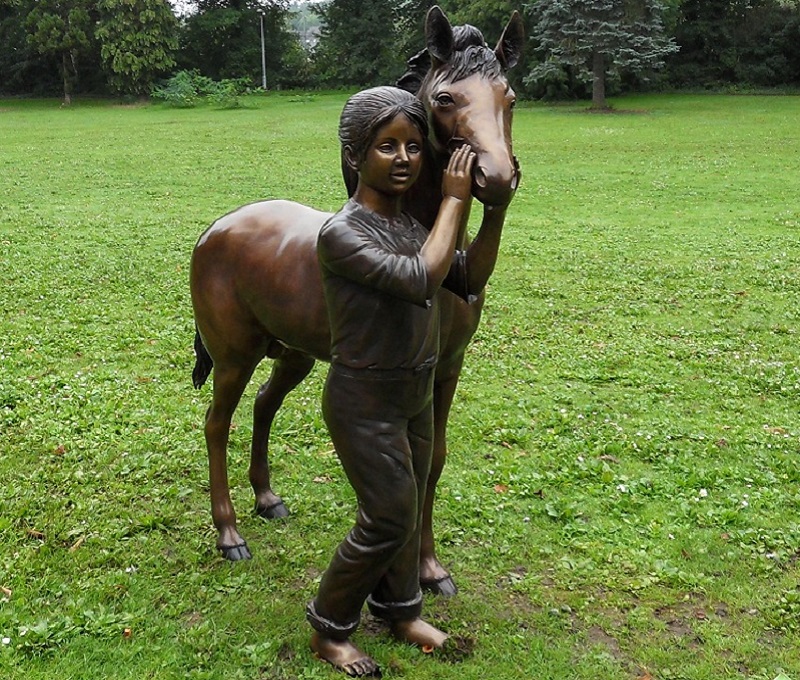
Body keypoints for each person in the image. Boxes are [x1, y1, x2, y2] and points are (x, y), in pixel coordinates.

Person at [307, 86, 476, 677]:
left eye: (412, 145)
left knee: (405, 510)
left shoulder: (410, 225)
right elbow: (422, 279)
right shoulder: (342, 234)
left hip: (415, 393)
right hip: (364, 400)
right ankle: (329, 629)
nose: (405, 157)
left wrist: (494, 207)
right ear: (356, 157)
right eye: (386, 147)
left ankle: (401, 610)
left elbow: (466, 274)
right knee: (388, 516)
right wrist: (453, 200)